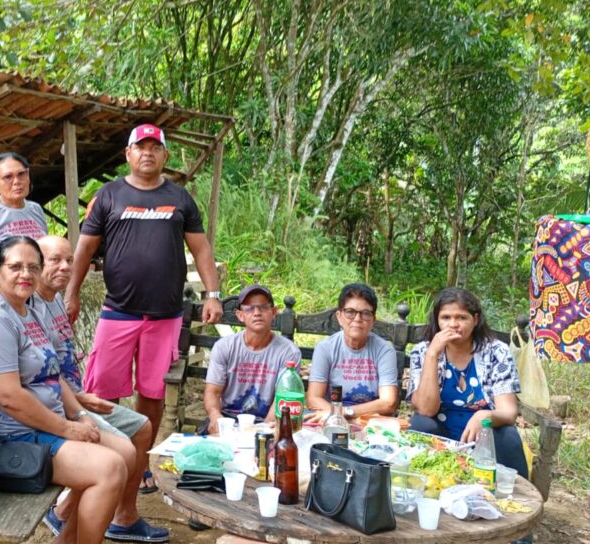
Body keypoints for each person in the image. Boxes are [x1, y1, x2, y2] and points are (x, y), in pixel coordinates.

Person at [64, 123, 224, 493]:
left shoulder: (180, 198)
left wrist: (213, 295)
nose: (147, 153)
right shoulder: (109, 195)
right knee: (103, 390)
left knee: (152, 393)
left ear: (165, 155)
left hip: (164, 315)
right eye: (141, 147)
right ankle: (105, 458)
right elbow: (84, 249)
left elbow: (201, 248)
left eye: (155, 147)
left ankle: (140, 463)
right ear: (128, 154)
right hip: (117, 311)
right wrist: (71, 293)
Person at [0, 236, 132, 544]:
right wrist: (67, 429)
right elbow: (9, 398)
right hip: (10, 439)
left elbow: (52, 374)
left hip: (41, 427)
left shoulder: (29, 311)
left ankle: (67, 539)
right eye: (15, 267)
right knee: (109, 468)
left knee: (125, 453)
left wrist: (79, 415)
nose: (25, 274)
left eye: (32, 267)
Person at [32, 235, 168, 543]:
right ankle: (69, 525)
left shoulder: (55, 300)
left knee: (142, 427)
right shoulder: (30, 308)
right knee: (117, 453)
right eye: (55, 260)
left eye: (69, 260)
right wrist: (78, 405)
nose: (65, 267)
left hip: (74, 397)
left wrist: (80, 398)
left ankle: (121, 516)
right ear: (37, 264)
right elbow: (38, 375)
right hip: (60, 405)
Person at [408, 287, 527, 477]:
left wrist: (484, 416)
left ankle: (513, 491)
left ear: (475, 319)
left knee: (509, 435)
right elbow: (425, 409)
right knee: (420, 424)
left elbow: (509, 412)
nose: (453, 324)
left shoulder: (496, 352)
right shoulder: (423, 351)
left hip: (484, 438)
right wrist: (432, 355)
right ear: (437, 320)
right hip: (440, 436)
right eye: (445, 318)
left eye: (462, 317)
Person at [203, 284, 301, 434]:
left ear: (274, 312)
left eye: (264, 307)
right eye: (249, 308)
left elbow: (281, 400)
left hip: (267, 422)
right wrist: (215, 416)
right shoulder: (224, 347)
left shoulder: (289, 352)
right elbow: (213, 392)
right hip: (228, 419)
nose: (257, 313)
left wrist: (264, 431)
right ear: (240, 315)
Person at [306, 283, 399, 423]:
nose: (357, 319)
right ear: (339, 316)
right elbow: (313, 398)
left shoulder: (384, 350)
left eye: (365, 313)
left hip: (369, 421)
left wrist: (344, 413)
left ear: (373, 320)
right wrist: (336, 417)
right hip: (329, 419)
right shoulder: (325, 348)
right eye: (350, 312)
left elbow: (388, 402)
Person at [0, 152, 48, 293]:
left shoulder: (36, 210)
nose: (16, 182)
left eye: (21, 174)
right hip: (3, 296)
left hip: (37, 295)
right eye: (8, 177)